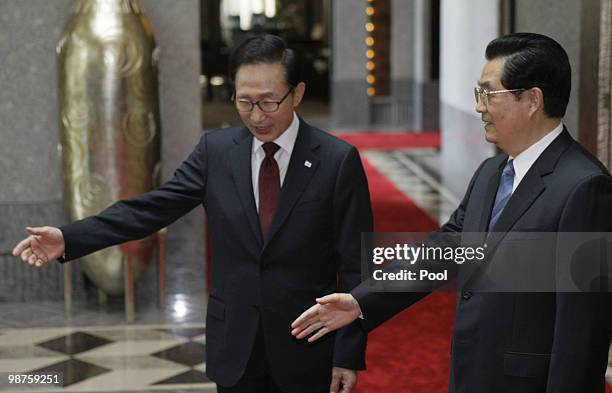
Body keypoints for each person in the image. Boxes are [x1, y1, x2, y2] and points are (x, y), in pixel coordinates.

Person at [12, 34, 372, 393]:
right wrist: (68, 238)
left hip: (307, 346)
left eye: (269, 102)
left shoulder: (337, 161)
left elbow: (356, 265)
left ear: (297, 93)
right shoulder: (215, 152)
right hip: (235, 345)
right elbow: (151, 209)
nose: (257, 116)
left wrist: (347, 354)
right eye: (244, 102)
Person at [291, 32, 612, 392]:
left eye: (489, 94)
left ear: (533, 99)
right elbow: (446, 251)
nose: (479, 107)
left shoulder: (584, 187)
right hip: (473, 372)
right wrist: (359, 301)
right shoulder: (492, 173)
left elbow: (582, 332)